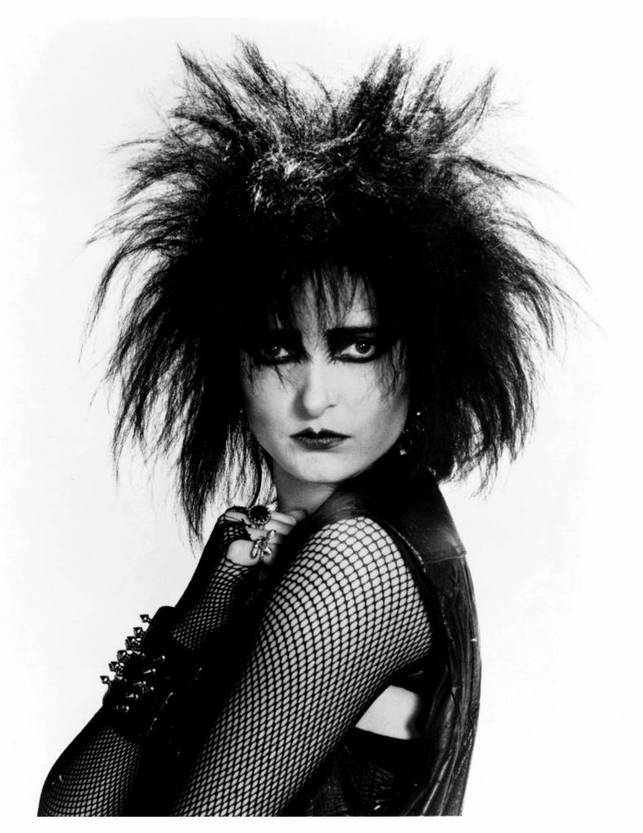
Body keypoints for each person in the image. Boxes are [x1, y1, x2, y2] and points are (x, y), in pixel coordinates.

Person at [37, 42, 570, 816]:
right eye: (277, 349)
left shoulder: (355, 561)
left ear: (423, 358)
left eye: (357, 347)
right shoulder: (307, 547)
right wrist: (196, 620)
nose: (315, 396)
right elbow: (67, 816)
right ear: (229, 368)